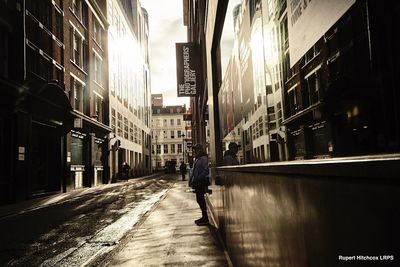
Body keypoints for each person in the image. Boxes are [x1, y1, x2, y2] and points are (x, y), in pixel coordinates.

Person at [189, 143, 210, 226]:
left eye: (196, 149)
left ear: (200, 150)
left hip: (200, 182)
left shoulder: (203, 158)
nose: (195, 151)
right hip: (197, 182)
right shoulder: (197, 158)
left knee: (201, 199)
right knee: (199, 199)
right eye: (194, 150)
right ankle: (204, 217)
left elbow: (206, 170)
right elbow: (194, 171)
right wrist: (191, 180)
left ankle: (205, 218)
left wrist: (197, 178)